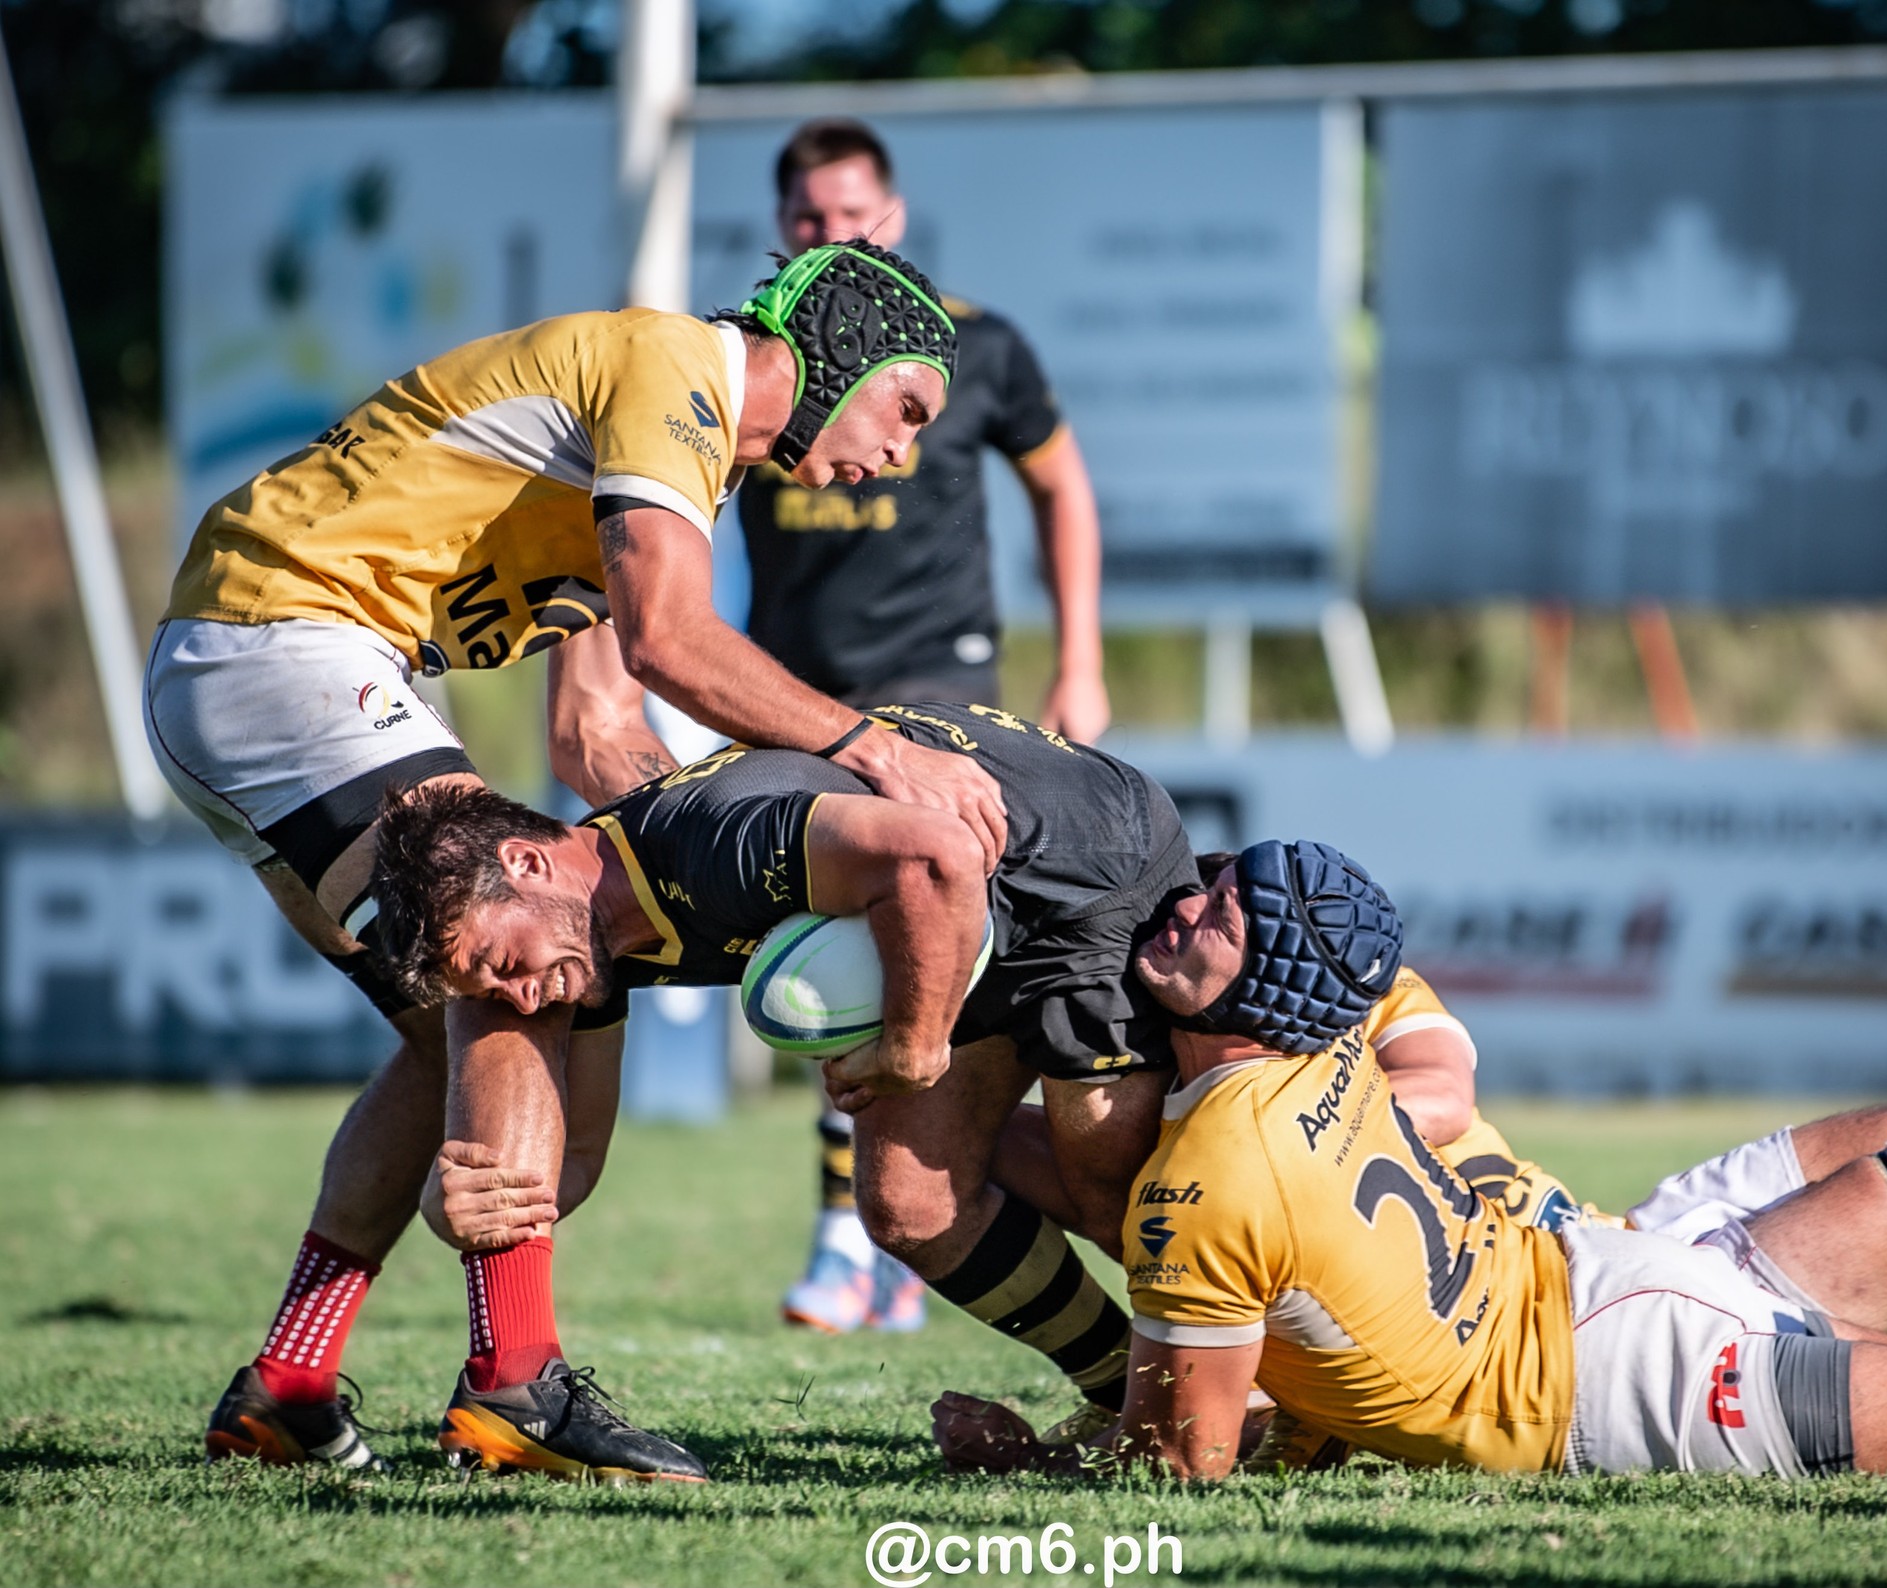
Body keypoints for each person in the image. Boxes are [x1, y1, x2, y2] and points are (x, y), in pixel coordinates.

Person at [160, 239, 1001, 1480]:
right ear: (837, 357)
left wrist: (728, 886)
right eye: (906, 406)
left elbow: (597, 731)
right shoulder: (672, 369)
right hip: (283, 641)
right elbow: (670, 639)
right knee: (530, 948)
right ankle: (514, 1382)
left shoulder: (670, 464)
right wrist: (874, 754)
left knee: (456, 1009)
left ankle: (290, 1379)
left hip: (249, 665)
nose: (902, 449)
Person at [932, 842, 1887, 1482]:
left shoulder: (1207, 1185)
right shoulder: (1325, 1037)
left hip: (1610, 1369)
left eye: (1216, 910)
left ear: (1270, 987)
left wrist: (1024, 1459)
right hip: (1601, 1281)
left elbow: (1185, 1463)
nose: (1180, 907)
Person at [371, 701, 1197, 1470]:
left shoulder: (707, 844)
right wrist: (463, 1211)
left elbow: (936, 856)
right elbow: (576, 1160)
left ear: (526, 862)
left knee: (1106, 1185)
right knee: (911, 1204)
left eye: (503, 965)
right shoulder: (592, 949)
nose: (518, 999)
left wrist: (911, 1050)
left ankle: (1274, 1386)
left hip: (1082, 865)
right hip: (971, 907)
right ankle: (1125, 1389)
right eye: (488, 995)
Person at [738, 117, 1112, 1336]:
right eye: (809, 220)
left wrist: (1083, 662)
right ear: (784, 227)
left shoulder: (980, 346)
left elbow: (1061, 485)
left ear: (887, 222)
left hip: (939, 685)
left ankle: (865, 1232)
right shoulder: (755, 366)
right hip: (796, 690)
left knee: (905, 932)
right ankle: (868, 1223)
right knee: (824, 945)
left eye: (851, 218)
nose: (831, 236)